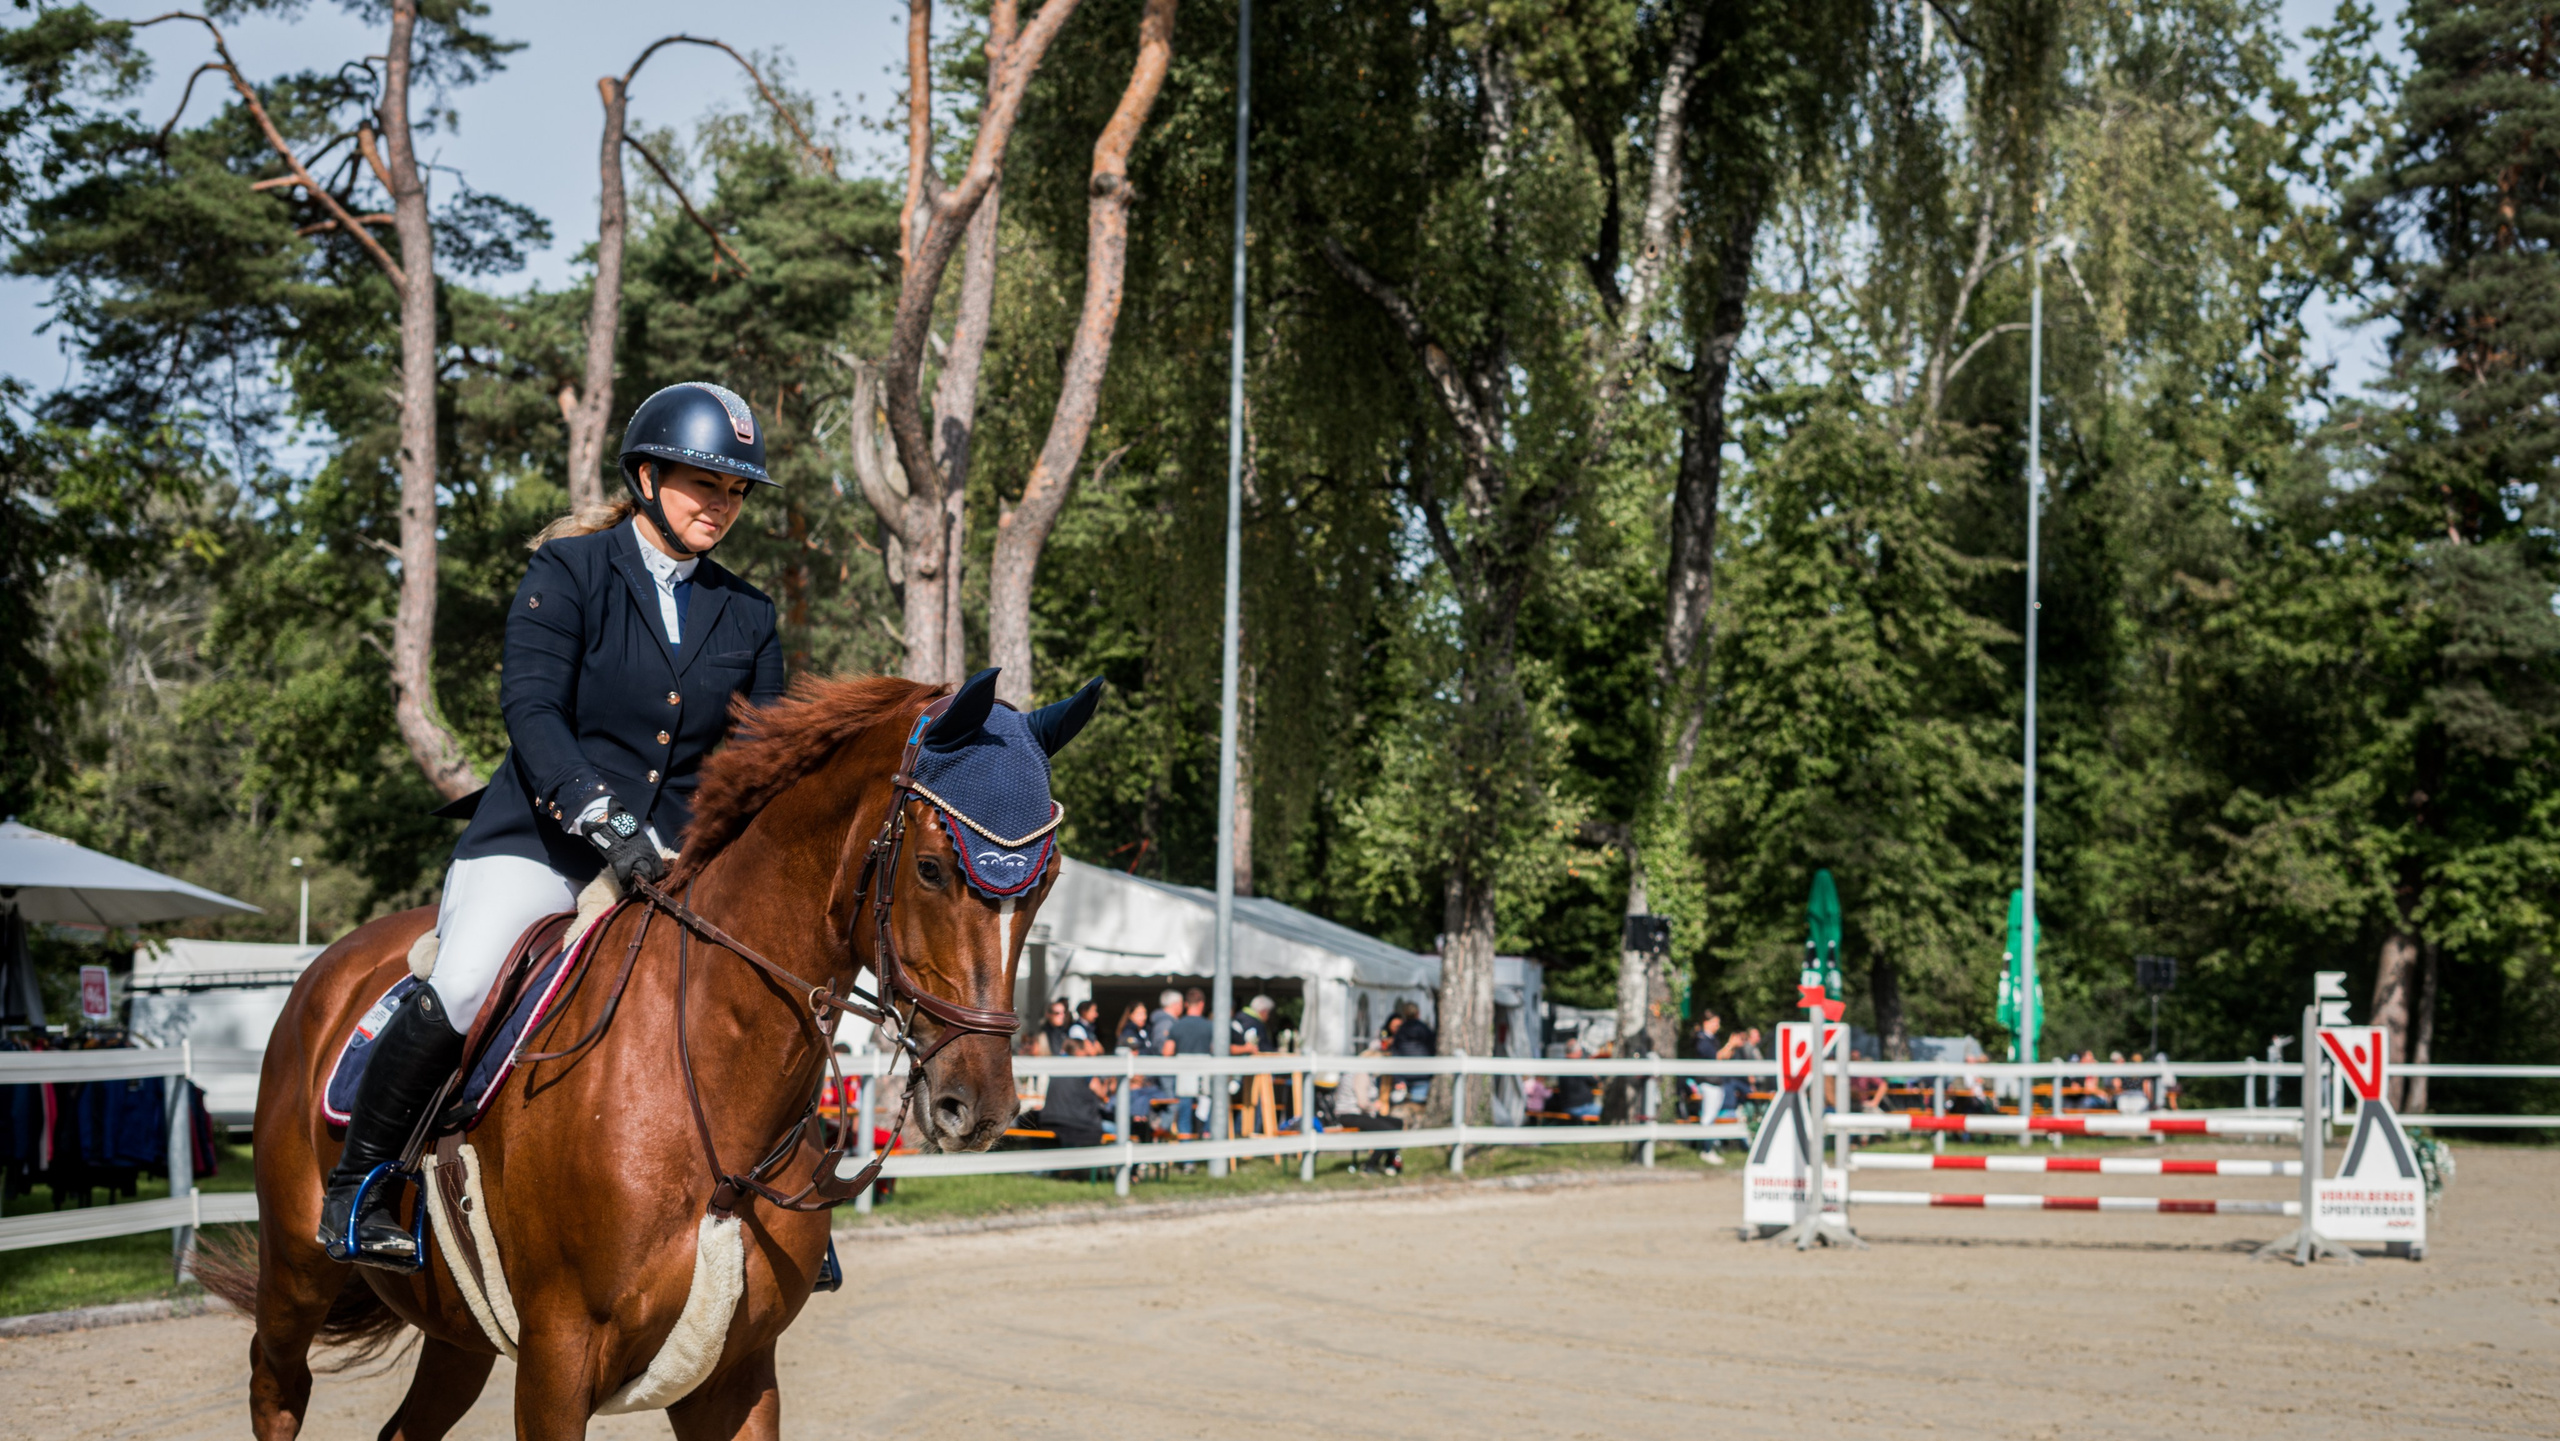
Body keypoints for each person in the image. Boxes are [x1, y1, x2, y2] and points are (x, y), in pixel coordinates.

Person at [319, 381, 785, 1270]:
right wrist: (600, 816)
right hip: (544, 840)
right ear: (646, 477)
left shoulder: (749, 611)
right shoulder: (570, 572)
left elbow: (756, 751)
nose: (722, 506)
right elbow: (531, 709)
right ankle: (362, 1183)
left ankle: (778, 1197)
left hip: (678, 857)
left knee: (762, 988)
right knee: (462, 981)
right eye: (705, 484)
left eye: (735, 491)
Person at [1022, 1034, 1110, 1152]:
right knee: (1116, 1129)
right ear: (1079, 1052)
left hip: (1048, 1119)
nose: (1087, 1056)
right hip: (1076, 1122)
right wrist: (1108, 1080)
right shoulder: (1081, 1066)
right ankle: (1112, 1166)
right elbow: (1101, 1093)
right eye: (1086, 1053)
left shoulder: (1055, 1064)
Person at [1331, 1046, 1405, 1174]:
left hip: (1359, 1114)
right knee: (1387, 1130)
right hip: (1349, 1115)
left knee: (1397, 1123)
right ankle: (1371, 1165)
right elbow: (1362, 1103)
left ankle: (1390, 1160)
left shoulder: (1361, 1073)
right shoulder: (1361, 1074)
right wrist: (1375, 1106)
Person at [1391, 1000, 1436, 1107]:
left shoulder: (1400, 1031)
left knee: (1403, 1106)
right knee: (1417, 1107)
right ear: (1417, 1013)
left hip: (1404, 1074)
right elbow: (1432, 1049)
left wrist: (1398, 1078)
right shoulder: (1425, 1029)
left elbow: (1395, 1054)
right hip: (1422, 1073)